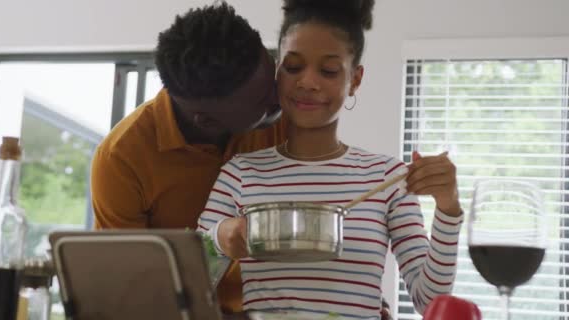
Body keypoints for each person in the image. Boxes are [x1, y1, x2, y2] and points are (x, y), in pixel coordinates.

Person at [197, 0, 463, 318]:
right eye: (293, 67)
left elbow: (429, 301)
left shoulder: (387, 177)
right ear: (277, 72)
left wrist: (448, 208)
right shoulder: (240, 174)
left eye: (329, 71)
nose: (308, 82)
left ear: (356, 80)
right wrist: (219, 238)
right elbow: (186, 287)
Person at [90, 3, 286, 313]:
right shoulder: (122, 159)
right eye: (263, 101)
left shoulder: (286, 121)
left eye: (273, 71)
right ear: (206, 121)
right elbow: (131, 291)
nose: (280, 96)